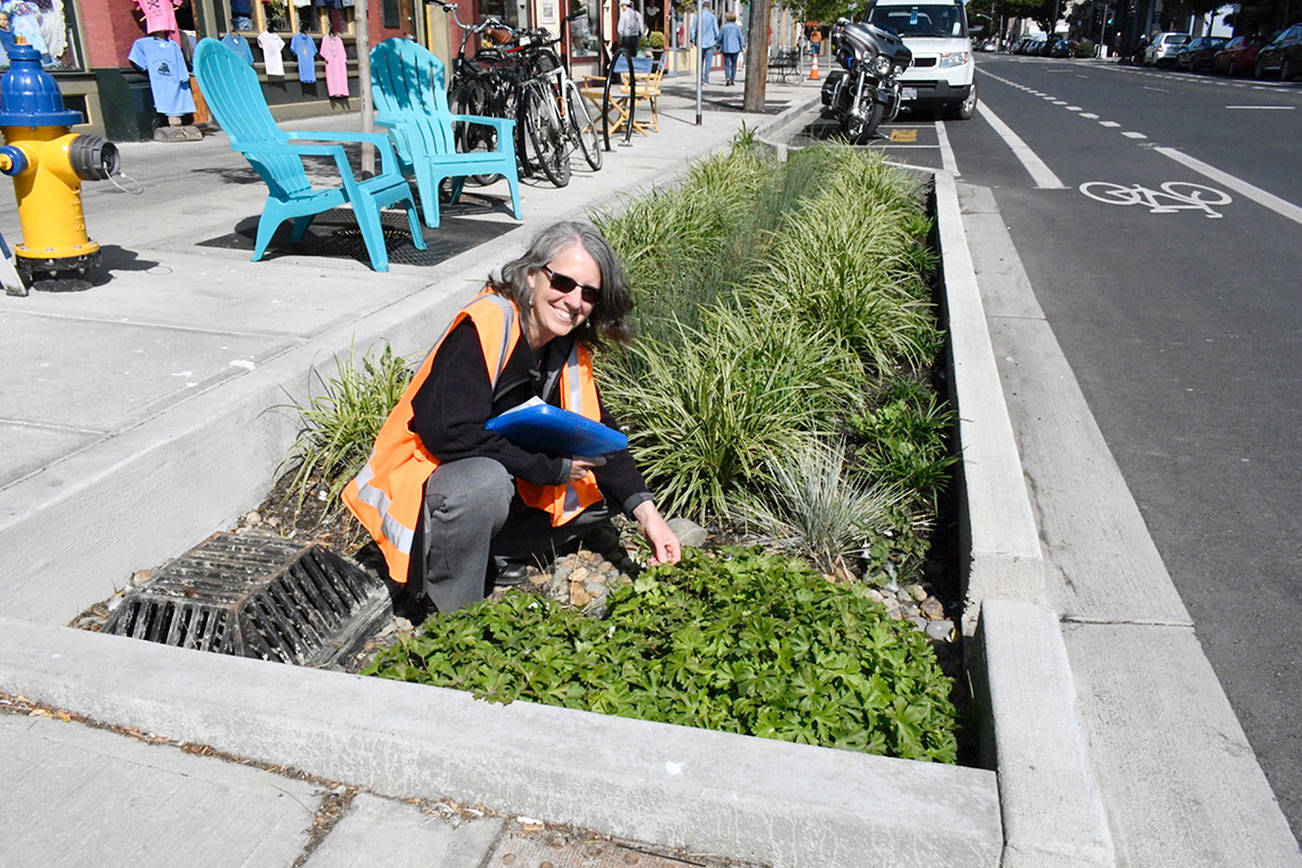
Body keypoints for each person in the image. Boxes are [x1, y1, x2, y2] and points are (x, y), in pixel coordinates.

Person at [343, 221, 682, 616]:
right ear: (532, 275)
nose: (573, 301)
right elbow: (448, 434)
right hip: (429, 482)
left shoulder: (564, 348)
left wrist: (649, 517)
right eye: (563, 283)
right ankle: (453, 615)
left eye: (588, 294)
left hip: (509, 471)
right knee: (484, 484)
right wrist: (549, 469)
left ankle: (494, 551)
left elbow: (601, 437)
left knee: (601, 486)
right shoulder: (487, 324)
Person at [689, 1, 720, 83]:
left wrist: (692, 39)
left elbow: (693, 29)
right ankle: (706, 78)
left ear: (702, 6)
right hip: (710, 43)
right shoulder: (712, 17)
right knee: (708, 62)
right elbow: (716, 30)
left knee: (700, 61)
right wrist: (717, 39)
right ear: (709, 7)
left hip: (699, 42)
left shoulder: (697, 15)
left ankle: (699, 78)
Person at [719, 11, 744, 86]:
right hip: (735, 48)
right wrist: (742, 45)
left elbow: (720, 37)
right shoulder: (737, 28)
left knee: (726, 64)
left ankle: (727, 77)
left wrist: (719, 43)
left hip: (726, 48)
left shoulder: (724, 27)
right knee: (734, 64)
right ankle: (732, 79)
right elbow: (740, 37)